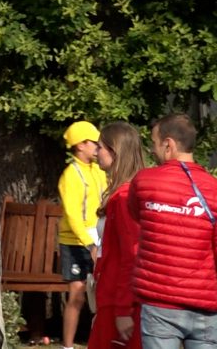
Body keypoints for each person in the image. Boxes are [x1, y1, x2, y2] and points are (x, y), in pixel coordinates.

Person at [128, 113, 217, 348]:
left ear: (168, 144)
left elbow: (137, 215)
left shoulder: (144, 181)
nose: (152, 150)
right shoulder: (214, 189)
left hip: (160, 303)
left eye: (154, 143)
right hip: (205, 304)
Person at [87, 122, 145, 349]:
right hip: (111, 295)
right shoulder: (121, 193)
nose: (95, 152)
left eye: (100, 146)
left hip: (118, 298)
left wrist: (123, 308)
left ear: (115, 150)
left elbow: (132, 254)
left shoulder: (124, 198)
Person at [58, 120, 107, 349]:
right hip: (76, 242)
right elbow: (73, 214)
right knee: (77, 295)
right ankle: (68, 346)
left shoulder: (99, 170)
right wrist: (90, 244)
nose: (98, 147)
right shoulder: (70, 175)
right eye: (94, 143)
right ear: (80, 145)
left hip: (97, 239)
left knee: (100, 296)